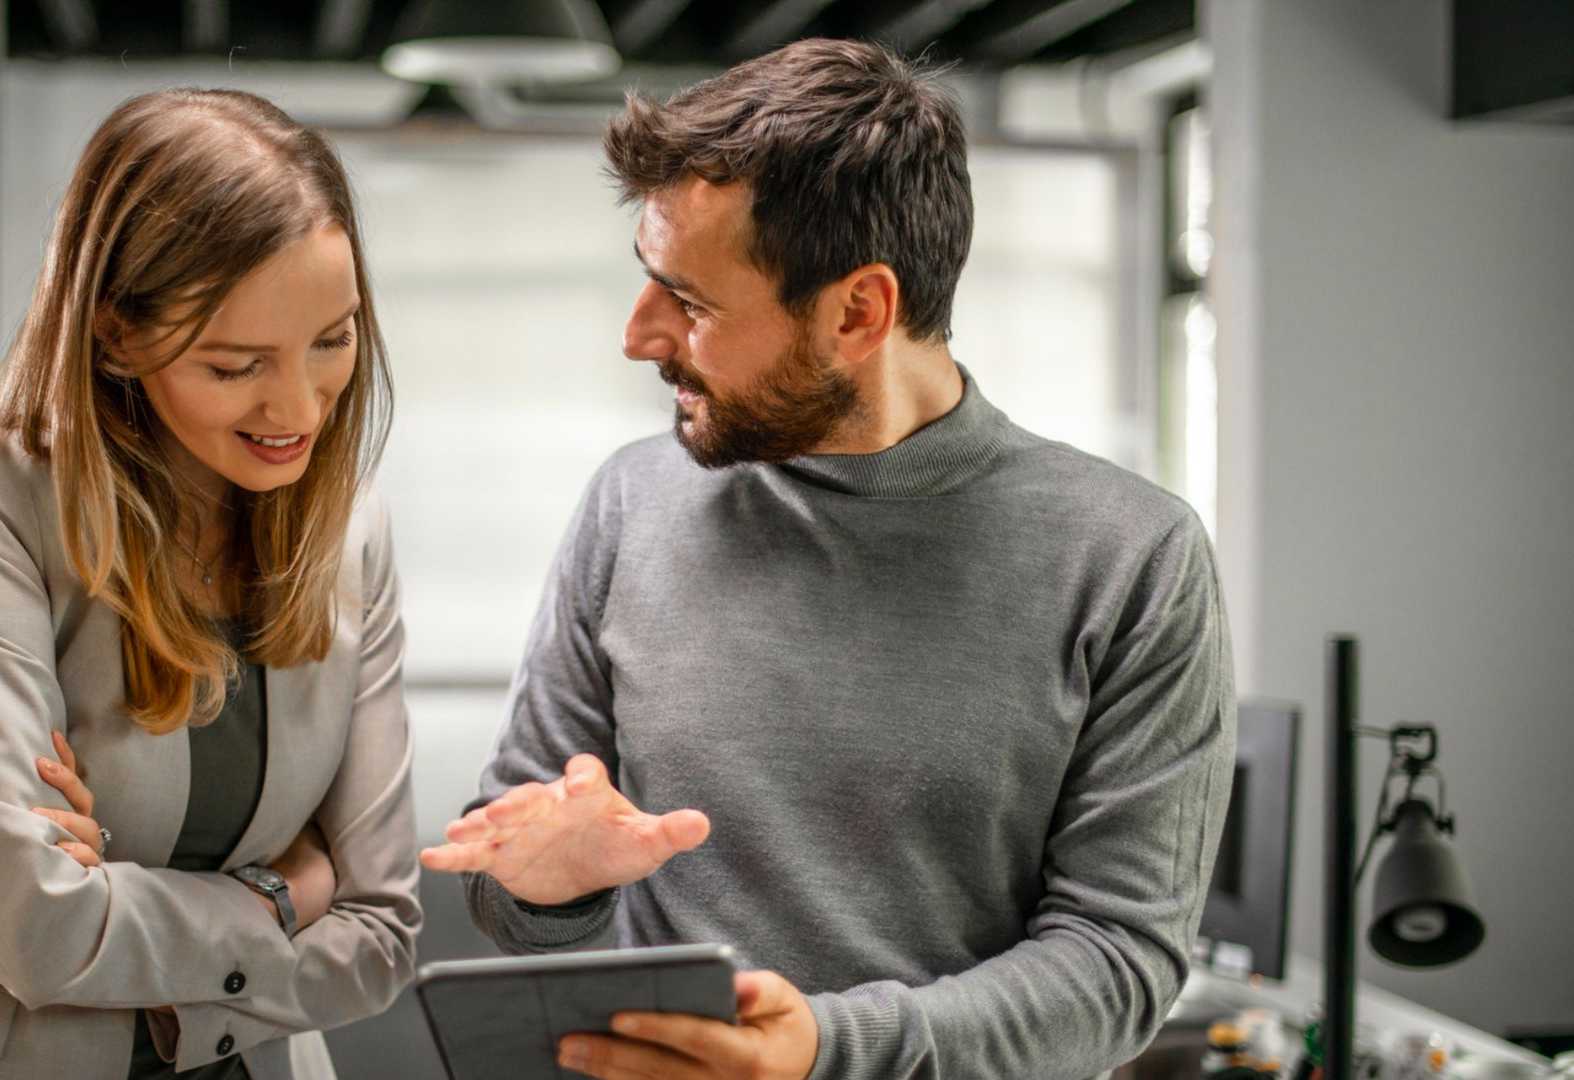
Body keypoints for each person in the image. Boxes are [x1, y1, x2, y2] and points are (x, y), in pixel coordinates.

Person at [421, 38, 1235, 1080]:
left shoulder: (1132, 559)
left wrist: (828, 1051)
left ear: (859, 313)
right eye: (647, 282)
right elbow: (509, 889)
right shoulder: (632, 503)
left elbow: (1118, 964)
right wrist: (552, 885)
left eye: (693, 302)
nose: (638, 335)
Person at [0, 89, 419, 1080]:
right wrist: (280, 899)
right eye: (237, 363)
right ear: (117, 336)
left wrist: (133, 926)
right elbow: (34, 927)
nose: (298, 406)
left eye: (332, 341)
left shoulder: (353, 531)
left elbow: (380, 940)